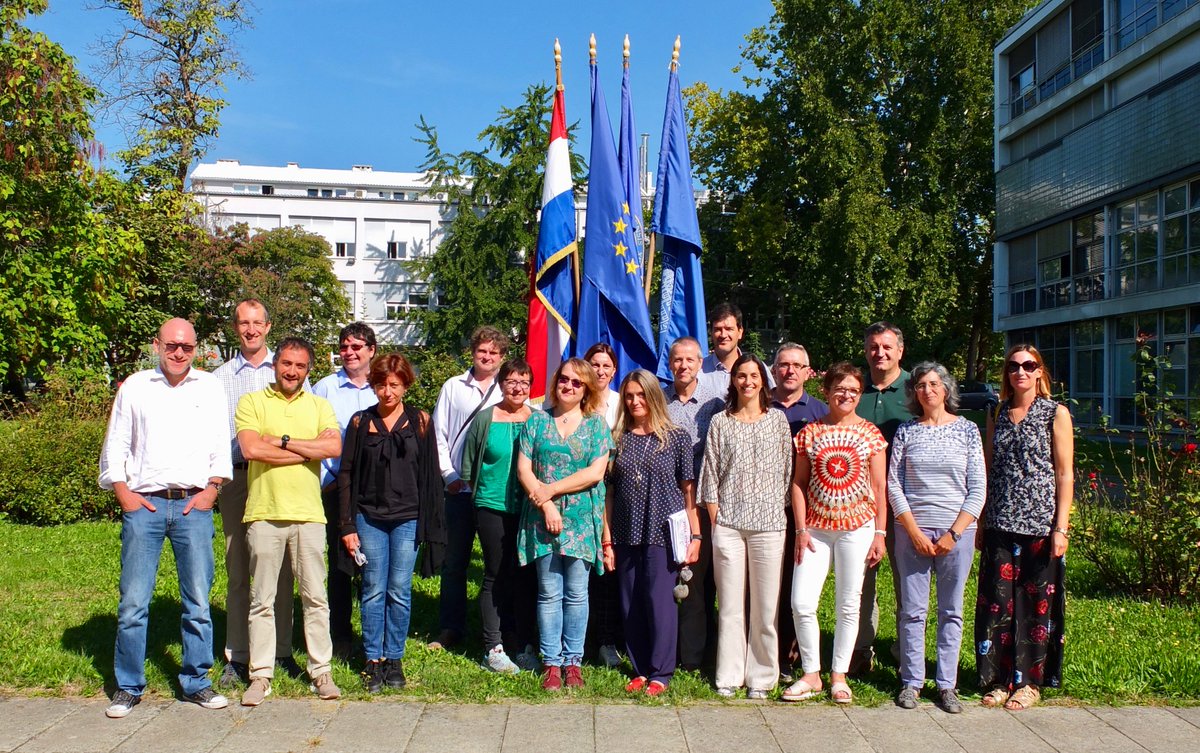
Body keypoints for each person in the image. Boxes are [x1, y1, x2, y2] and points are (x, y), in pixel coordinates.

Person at [99, 318, 233, 718]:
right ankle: (128, 686)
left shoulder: (209, 386)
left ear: (196, 349)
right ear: (157, 345)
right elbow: (116, 443)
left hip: (193, 505)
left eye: (187, 347)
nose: (179, 353)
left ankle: (197, 682)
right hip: (146, 506)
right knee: (133, 603)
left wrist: (211, 490)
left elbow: (220, 443)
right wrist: (124, 494)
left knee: (198, 601)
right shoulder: (136, 386)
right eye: (172, 345)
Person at [235, 337, 343, 706]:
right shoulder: (252, 402)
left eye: (299, 366)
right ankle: (260, 675)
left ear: (308, 370)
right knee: (261, 600)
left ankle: (321, 672)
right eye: (286, 364)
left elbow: (333, 448)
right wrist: (306, 449)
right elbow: (251, 448)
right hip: (264, 512)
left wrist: (280, 441)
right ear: (275, 365)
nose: (292, 371)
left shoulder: (319, 405)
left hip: (309, 515)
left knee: (315, 598)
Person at [337, 353, 442, 693]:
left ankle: (394, 658)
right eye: (381, 385)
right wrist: (347, 525)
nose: (387, 392)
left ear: (406, 385)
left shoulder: (420, 421)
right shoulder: (360, 422)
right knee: (372, 588)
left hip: (408, 518)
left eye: (394, 385)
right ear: (373, 386)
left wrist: (430, 524)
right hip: (369, 517)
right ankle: (372, 658)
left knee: (398, 589)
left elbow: (430, 474)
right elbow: (346, 474)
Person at [975, 344, 1072, 712]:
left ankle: (1029, 682)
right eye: (1014, 366)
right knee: (997, 603)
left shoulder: (1055, 413)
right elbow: (988, 467)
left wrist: (1061, 527)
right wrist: (982, 519)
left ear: (1039, 372)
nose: (1021, 372)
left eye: (1029, 366)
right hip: (1000, 521)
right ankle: (999, 679)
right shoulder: (997, 412)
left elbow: (1064, 473)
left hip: (1039, 524)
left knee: (1035, 605)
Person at [785, 362, 887, 705]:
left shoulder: (871, 434)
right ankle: (811, 673)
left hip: (857, 528)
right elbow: (798, 483)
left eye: (853, 390)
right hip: (815, 530)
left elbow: (879, 486)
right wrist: (800, 529)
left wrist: (880, 533)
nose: (846, 395)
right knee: (801, 602)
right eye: (840, 389)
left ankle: (838, 675)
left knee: (848, 604)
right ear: (826, 391)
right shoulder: (809, 433)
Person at [888, 362, 984, 714]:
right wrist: (912, 530)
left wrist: (954, 533)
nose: (927, 391)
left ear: (945, 389)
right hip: (912, 533)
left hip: (956, 534)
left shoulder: (968, 430)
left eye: (933, 384)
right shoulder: (906, 431)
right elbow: (894, 484)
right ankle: (911, 681)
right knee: (912, 611)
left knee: (951, 611)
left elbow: (978, 487)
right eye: (920, 386)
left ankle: (946, 685)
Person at [213, 299, 298, 688]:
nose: (250, 329)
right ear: (236, 328)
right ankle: (238, 654)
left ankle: (280, 650)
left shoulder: (285, 371)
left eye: (257, 323)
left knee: (280, 567)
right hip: (236, 479)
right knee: (238, 568)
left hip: (277, 477)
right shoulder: (219, 378)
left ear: (267, 326)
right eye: (243, 323)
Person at [517, 358, 612, 691]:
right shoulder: (537, 421)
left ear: (586, 389)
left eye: (576, 382)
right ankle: (551, 663)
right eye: (564, 379)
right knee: (548, 593)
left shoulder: (596, 425)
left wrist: (551, 490)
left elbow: (595, 473)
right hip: (542, 519)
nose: (568, 386)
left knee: (576, 594)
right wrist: (546, 504)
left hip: (581, 521)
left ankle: (573, 662)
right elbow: (524, 470)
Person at [701, 354, 793, 699]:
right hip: (729, 525)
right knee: (730, 606)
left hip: (769, 525)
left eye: (754, 375)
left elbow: (787, 471)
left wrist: (774, 510)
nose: (748, 381)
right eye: (741, 375)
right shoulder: (720, 422)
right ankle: (728, 675)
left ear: (763, 381)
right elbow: (710, 474)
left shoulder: (778, 421)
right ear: (733, 381)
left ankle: (762, 677)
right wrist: (716, 522)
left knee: (765, 609)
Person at [604, 370, 700, 696]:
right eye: (629, 396)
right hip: (625, 530)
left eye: (641, 394)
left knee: (660, 602)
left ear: (654, 396)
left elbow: (688, 491)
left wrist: (696, 537)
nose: (635, 401)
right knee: (630, 602)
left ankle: (661, 672)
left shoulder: (676, 437)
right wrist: (607, 539)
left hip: (663, 531)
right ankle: (640, 668)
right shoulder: (617, 438)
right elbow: (609, 492)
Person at [430, 326, 508, 650]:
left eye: (493, 352)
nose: (487, 357)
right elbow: (439, 433)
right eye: (482, 351)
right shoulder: (453, 387)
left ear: (502, 357)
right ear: (473, 352)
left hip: (494, 491)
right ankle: (450, 627)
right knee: (455, 562)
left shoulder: (508, 389)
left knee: (497, 564)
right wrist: (448, 475)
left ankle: (499, 630)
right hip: (459, 489)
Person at [459, 358, 536, 674]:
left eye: (524, 382)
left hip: (528, 508)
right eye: (512, 381)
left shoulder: (538, 420)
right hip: (491, 506)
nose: (517, 388)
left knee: (525, 576)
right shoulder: (485, 419)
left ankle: (523, 642)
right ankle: (493, 646)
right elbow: (468, 465)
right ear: (500, 384)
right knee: (495, 573)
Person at [313, 322, 378, 660]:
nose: (349, 353)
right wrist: (327, 479)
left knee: (373, 561)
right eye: (344, 347)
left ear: (371, 350)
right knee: (341, 563)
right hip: (336, 485)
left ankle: (374, 635)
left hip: (374, 489)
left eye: (356, 347)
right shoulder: (325, 388)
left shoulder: (381, 387)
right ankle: (340, 635)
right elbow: (312, 435)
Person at [852, 320, 913, 674]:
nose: (880, 353)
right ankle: (861, 648)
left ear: (900, 351)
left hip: (905, 503)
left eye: (887, 346)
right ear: (866, 351)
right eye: (874, 346)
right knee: (862, 580)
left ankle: (907, 650)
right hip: (859, 502)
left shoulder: (916, 389)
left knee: (908, 581)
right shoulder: (854, 389)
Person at [663, 337, 725, 671]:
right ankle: (683, 655)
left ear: (701, 363)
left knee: (709, 581)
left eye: (690, 360)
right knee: (681, 581)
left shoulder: (715, 404)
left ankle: (705, 655)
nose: (683, 365)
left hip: (707, 502)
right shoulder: (660, 401)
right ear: (670, 363)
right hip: (670, 502)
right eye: (677, 360)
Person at [769, 343, 829, 680]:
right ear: (774, 370)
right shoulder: (759, 405)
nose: (789, 371)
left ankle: (790, 656)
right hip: (764, 507)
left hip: (806, 511)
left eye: (797, 365)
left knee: (796, 582)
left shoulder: (820, 412)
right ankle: (764, 653)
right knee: (767, 582)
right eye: (783, 365)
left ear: (808, 372)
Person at [584, 342, 622, 667]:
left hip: (615, 496)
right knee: (581, 572)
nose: (600, 370)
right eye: (595, 364)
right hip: (580, 497)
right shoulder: (576, 401)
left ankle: (608, 640)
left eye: (606, 365)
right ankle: (581, 641)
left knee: (609, 572)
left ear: (614, 370)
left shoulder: (622, 404)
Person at [697, 303, 773, 392]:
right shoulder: (699, 370)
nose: (723, 335)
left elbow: (771, 398)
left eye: (729, 329)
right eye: (718, 329)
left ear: (740, 332)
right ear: (711, 332)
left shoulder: (758, 368)